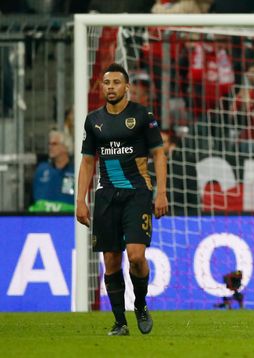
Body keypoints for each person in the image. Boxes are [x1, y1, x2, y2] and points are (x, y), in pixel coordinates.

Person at [76, 63, 168, 336]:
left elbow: (159, 154)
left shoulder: (142, 115)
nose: (111, 87)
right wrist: (80, 200)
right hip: (105, 196)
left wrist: (161, 192)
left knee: (136, 256)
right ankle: (120, 322)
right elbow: (88, 161)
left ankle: (140, 304)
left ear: (127, 86)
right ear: (102, 87)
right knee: (112, 260)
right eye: (107, 83)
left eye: (116, 82)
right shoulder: (93, 120)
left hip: (137, 193)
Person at [30, 130, 75, 213]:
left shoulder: (75, 171)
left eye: (54, 144)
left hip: (68, 221)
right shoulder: (41, 170)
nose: (50, 147)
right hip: (42, 220)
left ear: (65, 147)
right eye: (49, 144)